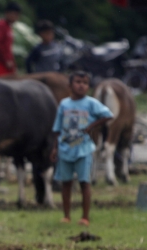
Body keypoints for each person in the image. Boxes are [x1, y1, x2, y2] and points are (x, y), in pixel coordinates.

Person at [51, 71, 113, 226]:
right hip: (65, 149)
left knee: (84, 182)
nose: (81, 85)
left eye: (85, 83)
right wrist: (55, 148)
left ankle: (85, 217)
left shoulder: (91, 103)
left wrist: (91, 127)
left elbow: (108, 115)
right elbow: (57, 128)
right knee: (66, 183)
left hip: (83, 149)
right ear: (70, 85)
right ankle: (66, 215)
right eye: (78, 82)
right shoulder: (64, 104)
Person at [0, 2, 21, 77]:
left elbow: (8, 48)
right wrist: (7, 60)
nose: (16, 17)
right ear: (7, 13)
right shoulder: (1, 25)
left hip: (6, 64)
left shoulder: (9, 27)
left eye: (17, 15)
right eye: (14, 14)